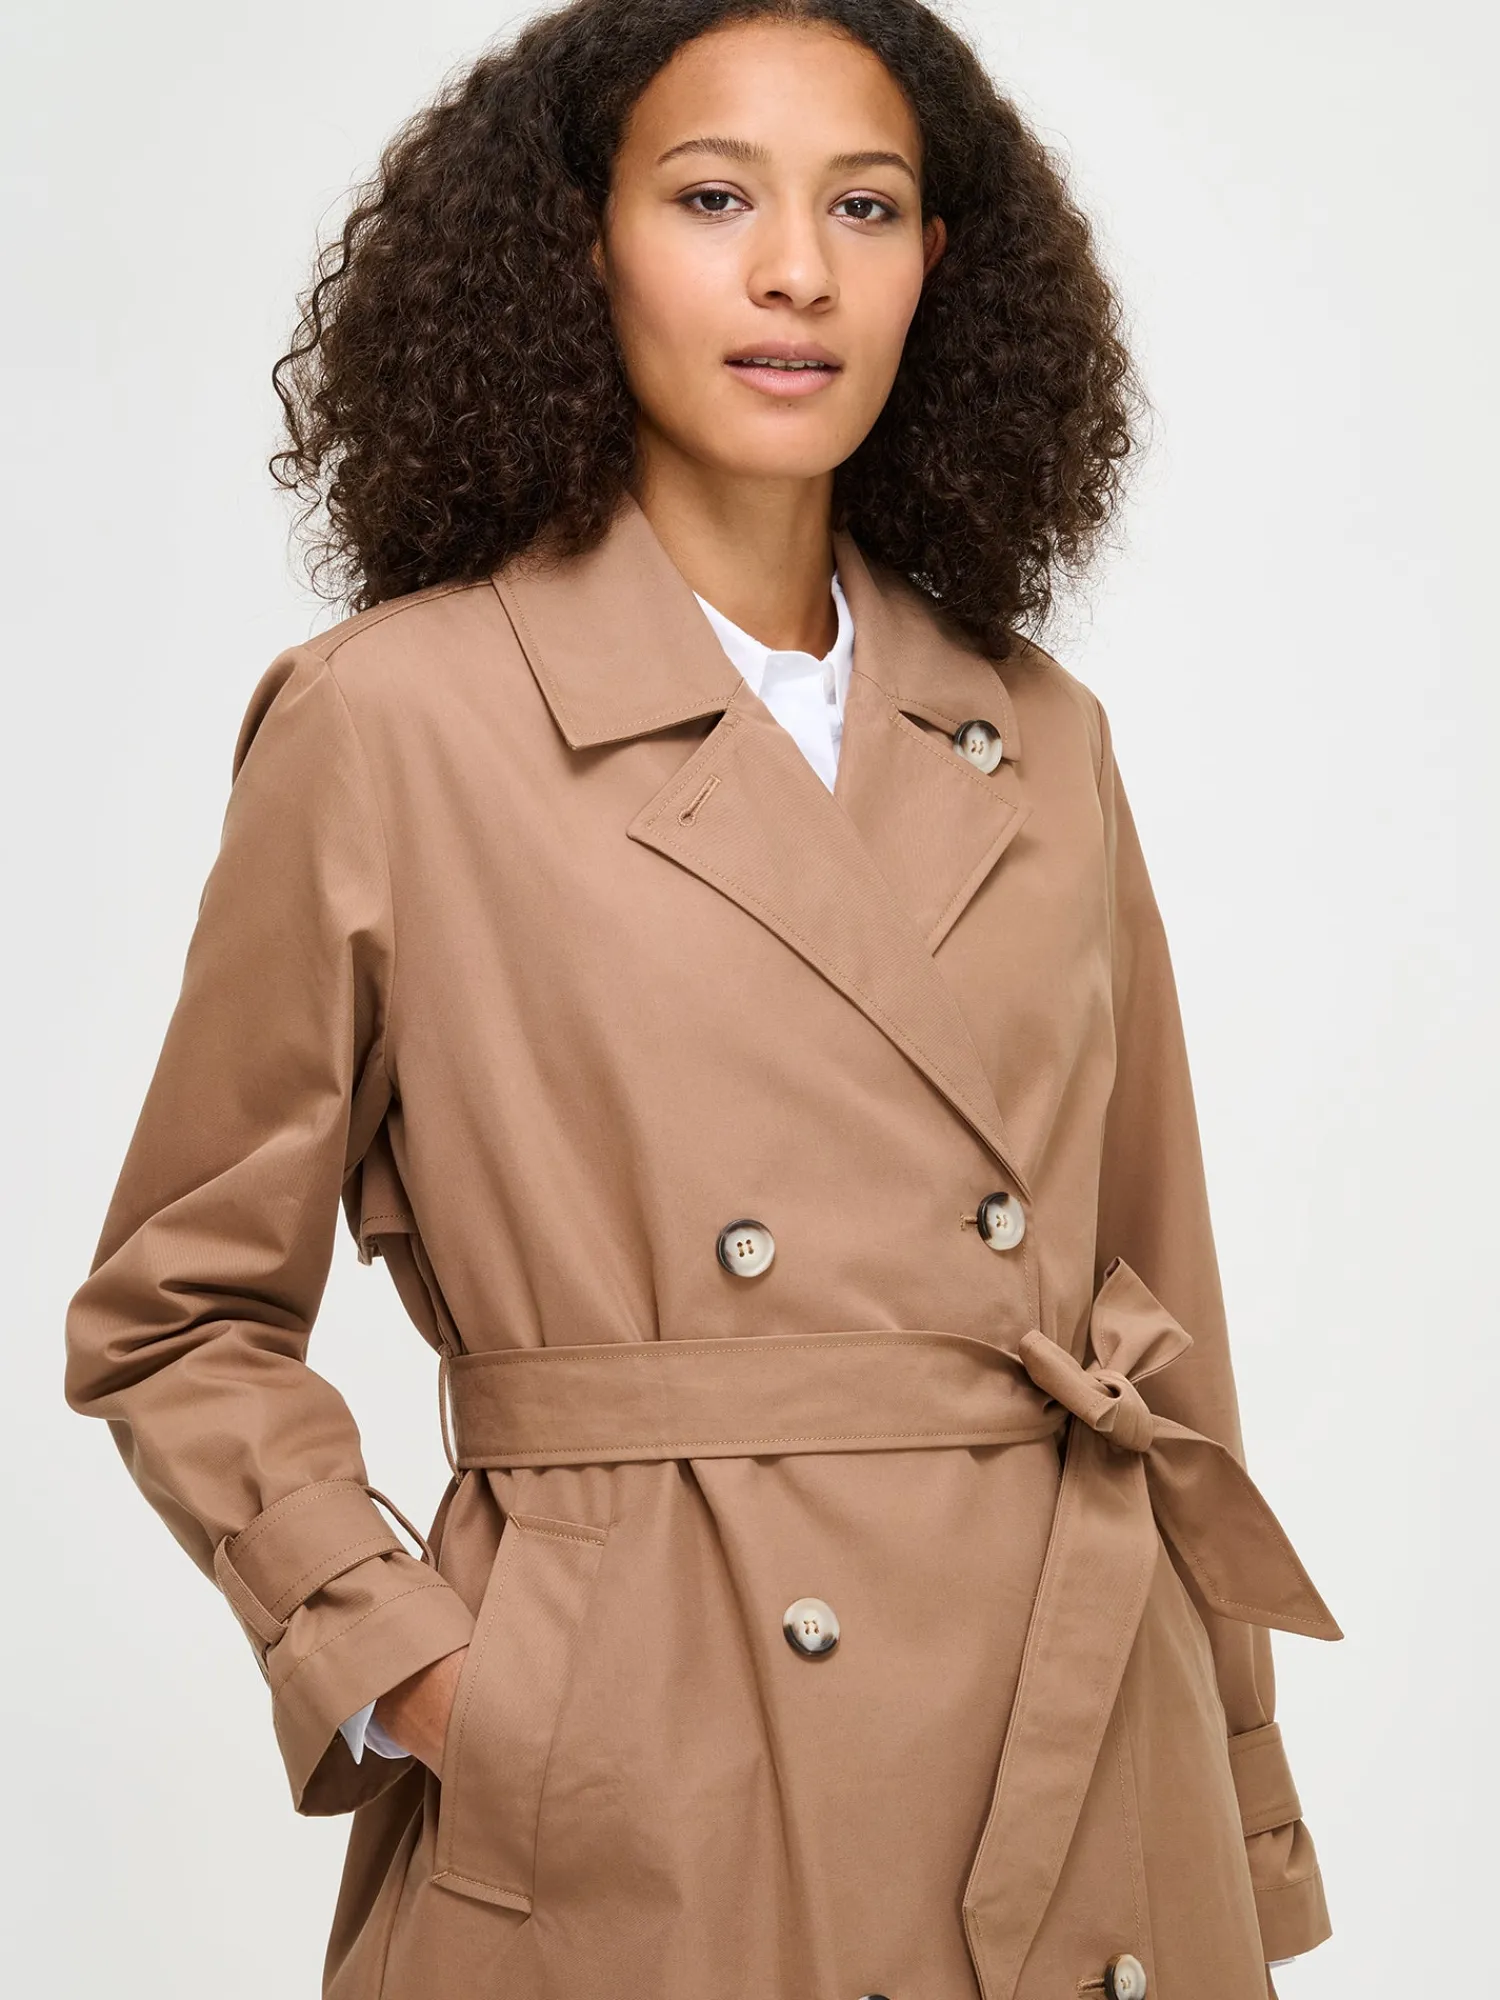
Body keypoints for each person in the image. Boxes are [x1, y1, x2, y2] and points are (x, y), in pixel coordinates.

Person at [63, 2, 1343, 1995]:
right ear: (581, 244)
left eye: (867, 205)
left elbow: (1158, 1314)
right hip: (657, 1774)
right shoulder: (394, 724)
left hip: (1082, 1741)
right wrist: (429, 1677)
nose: (797, 271)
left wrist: (1238, 1784)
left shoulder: (1041, 735)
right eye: (714, 198)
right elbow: (177, 1312)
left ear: (941, 265)